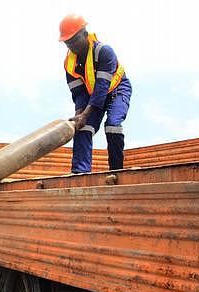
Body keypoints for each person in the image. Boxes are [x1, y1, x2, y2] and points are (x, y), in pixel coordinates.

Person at [59, 14, 132, 173]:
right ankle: (80, 172)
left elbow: (102, 86)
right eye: (67, 42)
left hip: (116, 91)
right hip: (94, 97)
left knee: (113, 125)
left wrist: (86, 113)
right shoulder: (70, 64)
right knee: (82, 127)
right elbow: (79, 94)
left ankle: (116, 170)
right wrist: (79, 115)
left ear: (85, 34)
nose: (71, 45)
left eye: (74, 39)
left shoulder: (104, 52)